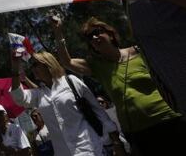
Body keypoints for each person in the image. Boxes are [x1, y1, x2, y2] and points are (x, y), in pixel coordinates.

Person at [51, 15, 186, 155]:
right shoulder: (97, 67)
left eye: (97, 32)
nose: (94, 38)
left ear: (110, 34)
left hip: (168, 120)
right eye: (90, 37)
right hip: (137, 133)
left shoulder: (139, 52)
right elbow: (67, 62)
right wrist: (58, 32)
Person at [10, 51, 123, 156]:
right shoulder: (38, 94)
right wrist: (15, 67)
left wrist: (116, 141)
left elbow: (98, 110)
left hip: (90, 148)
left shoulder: (71, 81)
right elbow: (18, 97)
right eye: (32, 65)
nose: (32, 68)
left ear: (47, 64)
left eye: (35, 64)